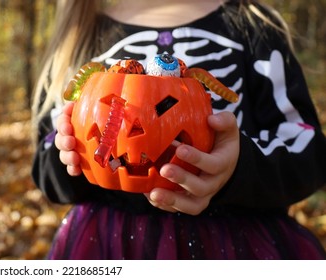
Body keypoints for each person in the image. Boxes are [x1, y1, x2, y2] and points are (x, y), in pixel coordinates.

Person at [31, 0, 326, 259]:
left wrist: (238, 167)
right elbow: (46, 164)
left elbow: (308, 153)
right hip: (107, 247)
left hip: (240, 246)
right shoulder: (81, 36)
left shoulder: (256, 26)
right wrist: (74, 155)